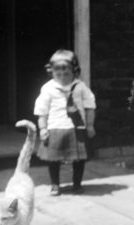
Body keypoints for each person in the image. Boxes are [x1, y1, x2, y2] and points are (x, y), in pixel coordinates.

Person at [34, 49, 96, 196]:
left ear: (75, 71)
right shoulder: (48, 88)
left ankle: (77, 184)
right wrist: (42, 129)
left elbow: (90, 106)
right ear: (51, 72)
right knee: (53, 159)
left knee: (79, 158)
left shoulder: (80, 87)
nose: (62, 77)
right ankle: (55, 184)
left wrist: (90, 125)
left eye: (66, 73)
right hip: (55, 127)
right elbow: (41, 111)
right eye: (57, 74)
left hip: (77, 128)